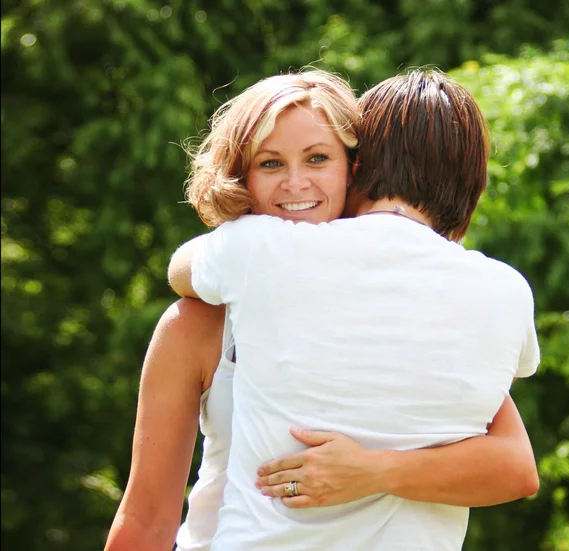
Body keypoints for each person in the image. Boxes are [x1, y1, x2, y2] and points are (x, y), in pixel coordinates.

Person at [104, 70, 538, 551]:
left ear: (356, 168)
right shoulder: (200, 321)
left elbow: (514, 466)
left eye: (317, 158)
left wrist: (372, 473)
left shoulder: (427, 313)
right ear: (240, 177)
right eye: (269, 163)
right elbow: (145, 520)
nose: (296, 184)